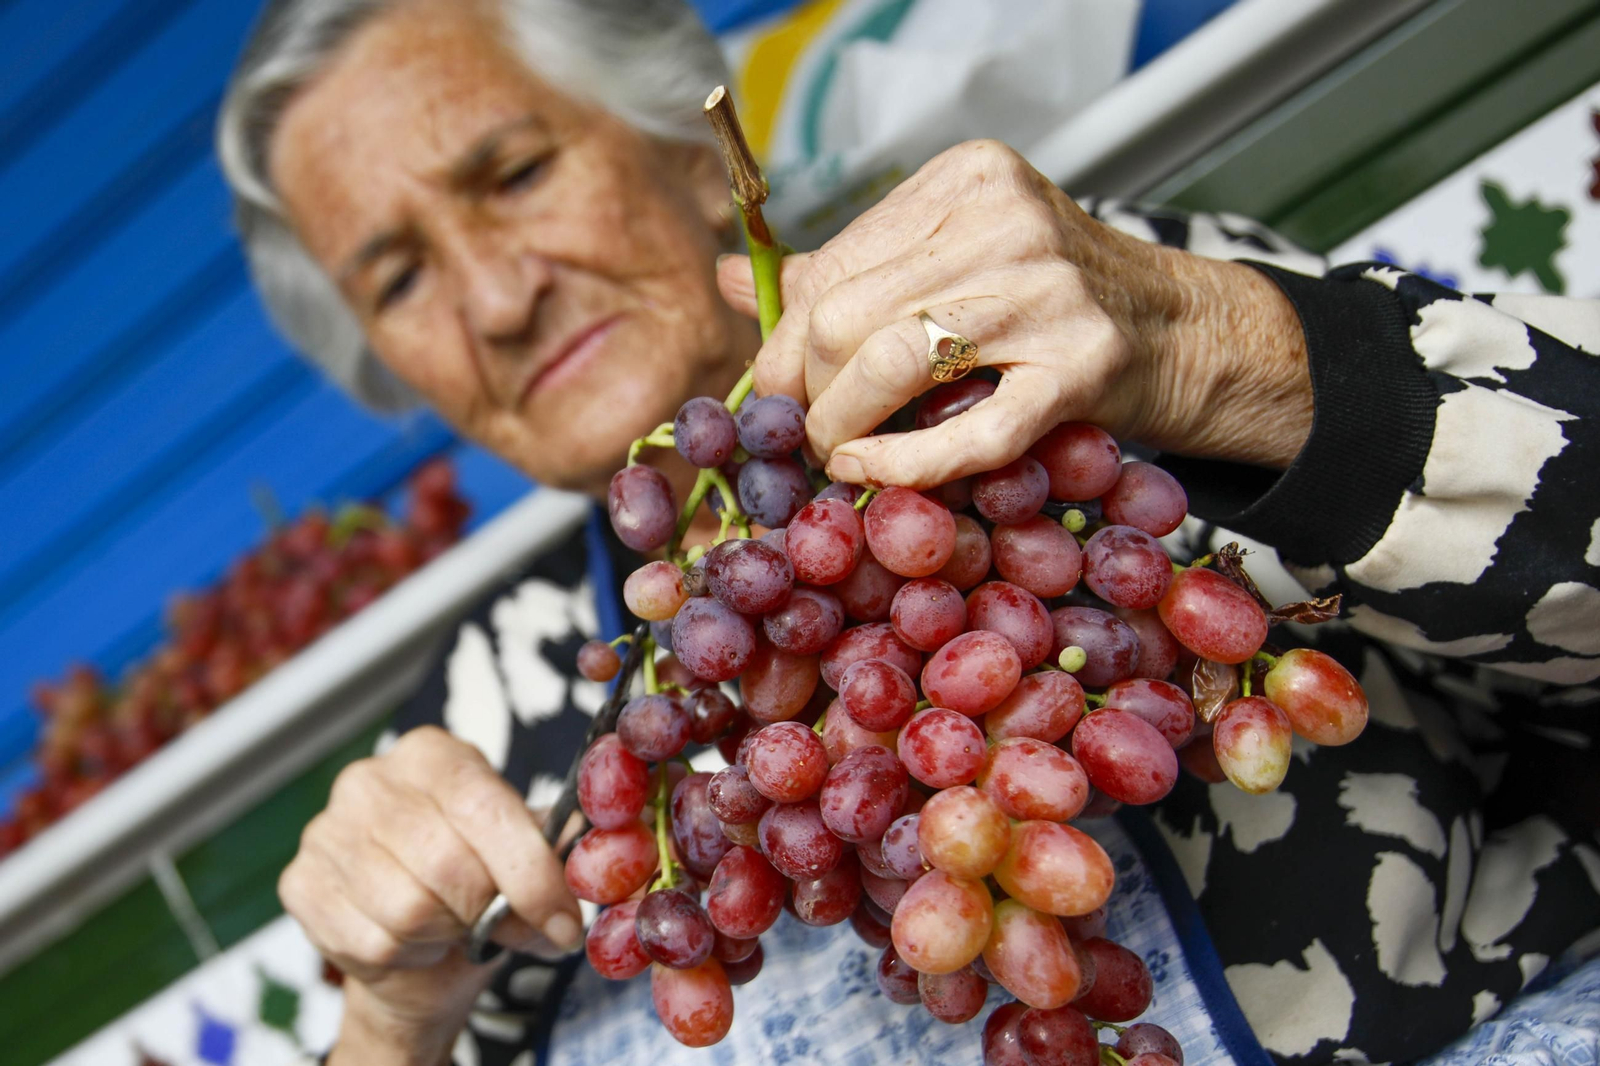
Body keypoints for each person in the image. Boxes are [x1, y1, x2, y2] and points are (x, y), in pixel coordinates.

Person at [216, 0, 1600, 1063]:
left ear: (702, 161)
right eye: (397, 275)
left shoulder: (1069, 323)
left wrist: (1208, 347)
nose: (496, 298)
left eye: (514, 172)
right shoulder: (484, 697)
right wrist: (390, 1020)